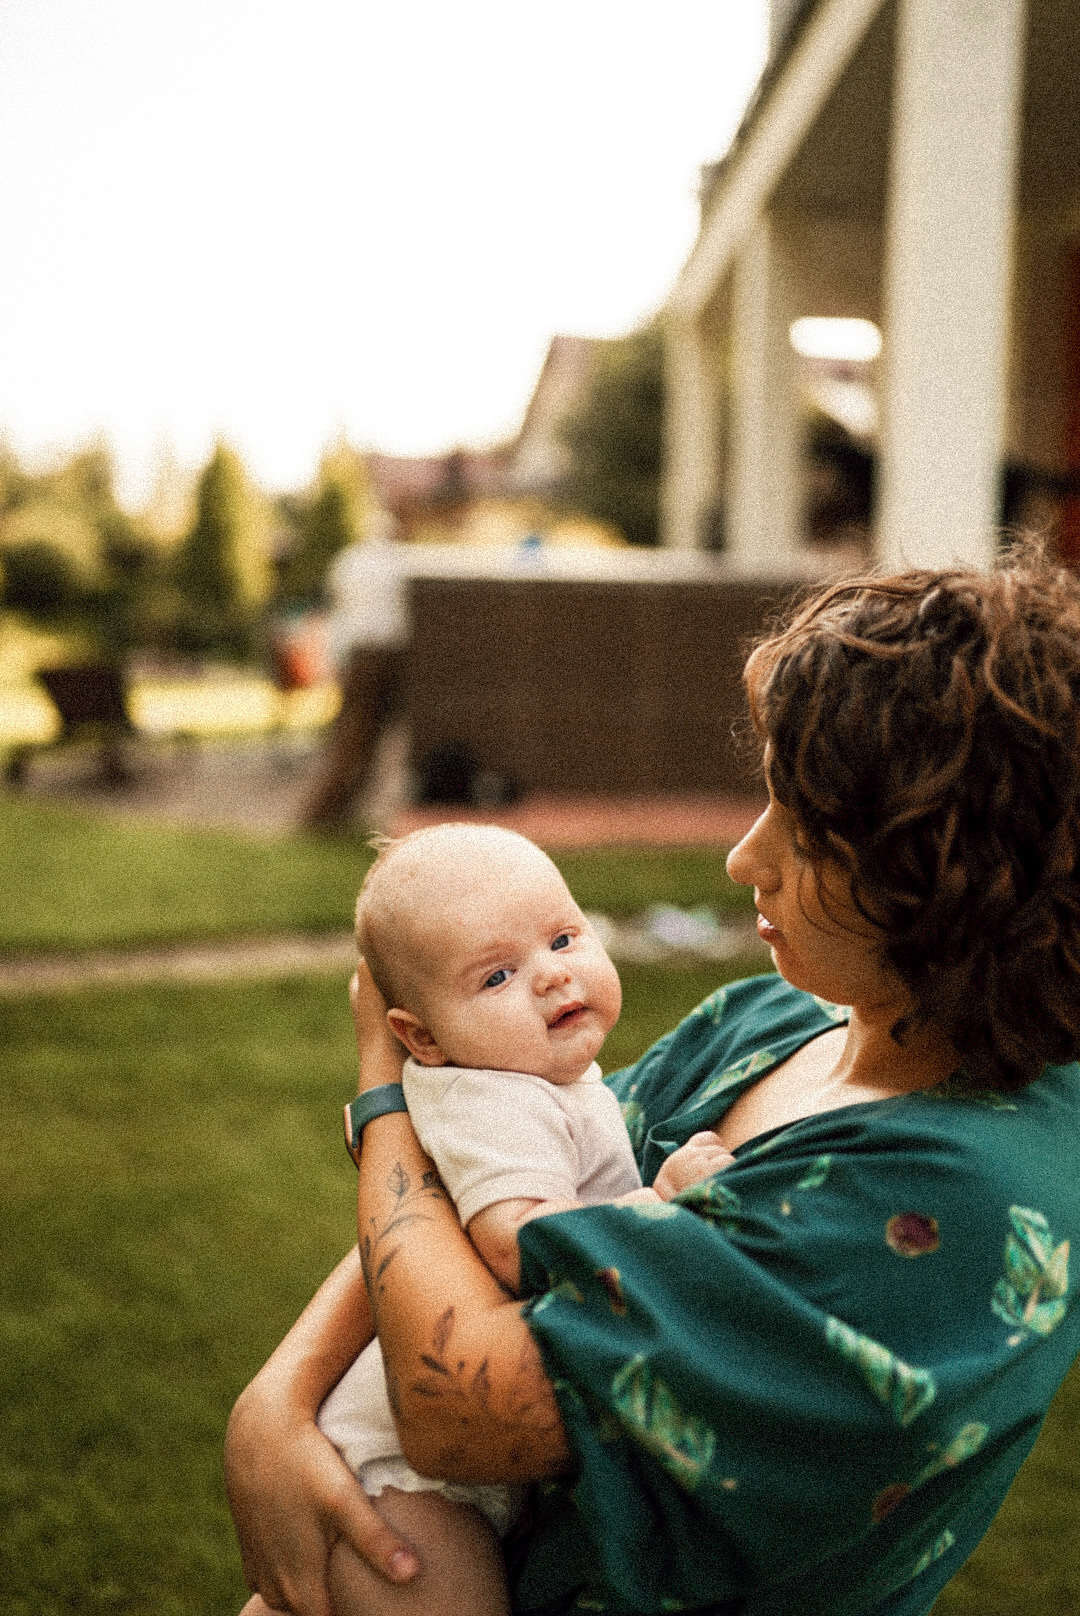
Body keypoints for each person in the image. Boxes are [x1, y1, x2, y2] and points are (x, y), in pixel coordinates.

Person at [226, 546, 1080, 1616]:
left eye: (808, 834)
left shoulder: (952, 1204)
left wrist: (386, 1088)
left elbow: (463, 1406)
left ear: (953, 882)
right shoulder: (774, 1022)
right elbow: (487, 1173)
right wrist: (280, 1396)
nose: (744, 858)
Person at [262, 824, 731, 1616]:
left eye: (562, 936)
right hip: (399, 1488)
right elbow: (518, 1243)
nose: (551, 977)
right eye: (499, 976)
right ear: (421, 1039)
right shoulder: (493, 1102)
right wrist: (660, 1203)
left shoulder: (539, 1079)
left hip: (449, 1472)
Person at [301, 514, 411, 832]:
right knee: (356, 736)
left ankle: (338, 812)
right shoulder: (396, 564)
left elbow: (338, 608)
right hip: (381, 656)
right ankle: (320, 817)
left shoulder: (348, 561)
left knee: (355, 735)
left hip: (357, 656)